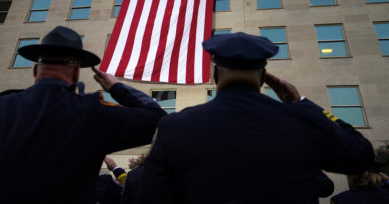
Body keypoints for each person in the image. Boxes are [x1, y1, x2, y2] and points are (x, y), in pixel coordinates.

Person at [140, 32, 374, 204]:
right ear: (264, 78)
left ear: (215, 75)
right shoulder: (302, 120)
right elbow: (360, 155)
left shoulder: (175, 126)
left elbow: (150, 196)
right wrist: (302, 103)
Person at [0, 26, 166, 204]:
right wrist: (115, 87)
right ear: (76, 72)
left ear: (36, 70)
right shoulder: (90, 113)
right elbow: (158, 119)